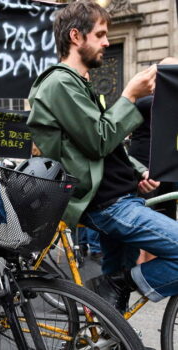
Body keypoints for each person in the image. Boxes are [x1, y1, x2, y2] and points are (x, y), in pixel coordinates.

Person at [27, 0, 178, 330]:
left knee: (113, 314)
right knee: (118, 284)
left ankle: (108, 323)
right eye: (101, 34)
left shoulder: (77, 83)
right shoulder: (58, 83)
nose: (107, 42)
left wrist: (139, 172)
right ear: (76, 36)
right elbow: (99, 138)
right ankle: (116, 285)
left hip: (120, 198)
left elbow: (103, 149)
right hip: (108, 205)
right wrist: (130, 95)